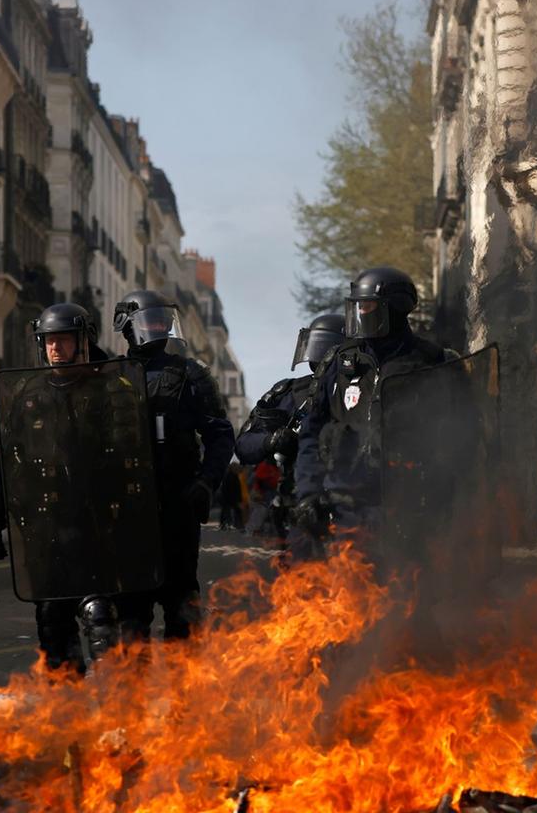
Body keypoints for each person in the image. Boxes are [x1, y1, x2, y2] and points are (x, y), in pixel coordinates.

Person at [0, 303, 133, 671]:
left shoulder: (109, 390)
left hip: (94, 520)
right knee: (51, 617)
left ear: (83, 342)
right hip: (45, 524)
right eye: (49, 341)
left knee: (98, 611)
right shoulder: (28, 394)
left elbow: (132, 455)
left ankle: (113, 697)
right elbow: (9, 459)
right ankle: (66, 706)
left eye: (63, 341)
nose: (55, 349)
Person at [111, 291, 234, 641]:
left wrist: (206, 482)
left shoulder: (190, 375)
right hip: (127, 511)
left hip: (177, 503)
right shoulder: (108, 378)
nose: (157, 328)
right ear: (128, 326)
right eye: (149, 321)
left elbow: (220, 434)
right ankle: (132, 692)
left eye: (161, 321)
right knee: (129, 613)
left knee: (182, 605)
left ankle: (184, 692)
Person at [293, 268, 449, 545]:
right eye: (357, 306)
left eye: (368, 306)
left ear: (395, 310)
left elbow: (449, 434)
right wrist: (308, 493)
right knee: (348, 584)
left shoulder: (427, 361)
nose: (361, 313)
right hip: (344, 503)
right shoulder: (339, 361)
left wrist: (445, 500)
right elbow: (311, 432)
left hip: (407, 504)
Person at [236, 313, 345, 557]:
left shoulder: (360, 390)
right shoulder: (290, 393)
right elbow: (244, 444)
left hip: (349, 506)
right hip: (298, 507)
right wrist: (272, 440)